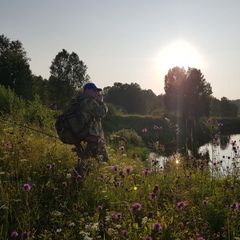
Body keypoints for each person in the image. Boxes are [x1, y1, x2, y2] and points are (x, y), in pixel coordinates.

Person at [64, 82, 109, 166]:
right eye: (94, 91)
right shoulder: (88, 101)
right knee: (100, 161)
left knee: (85, 161)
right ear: (86, 91)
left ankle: (78, 176)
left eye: (96, 91)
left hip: (81, 136)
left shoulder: (77, 100)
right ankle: (79, 177)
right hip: (92, 138)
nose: (96, 93)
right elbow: (101, 113)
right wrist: (102, 102)